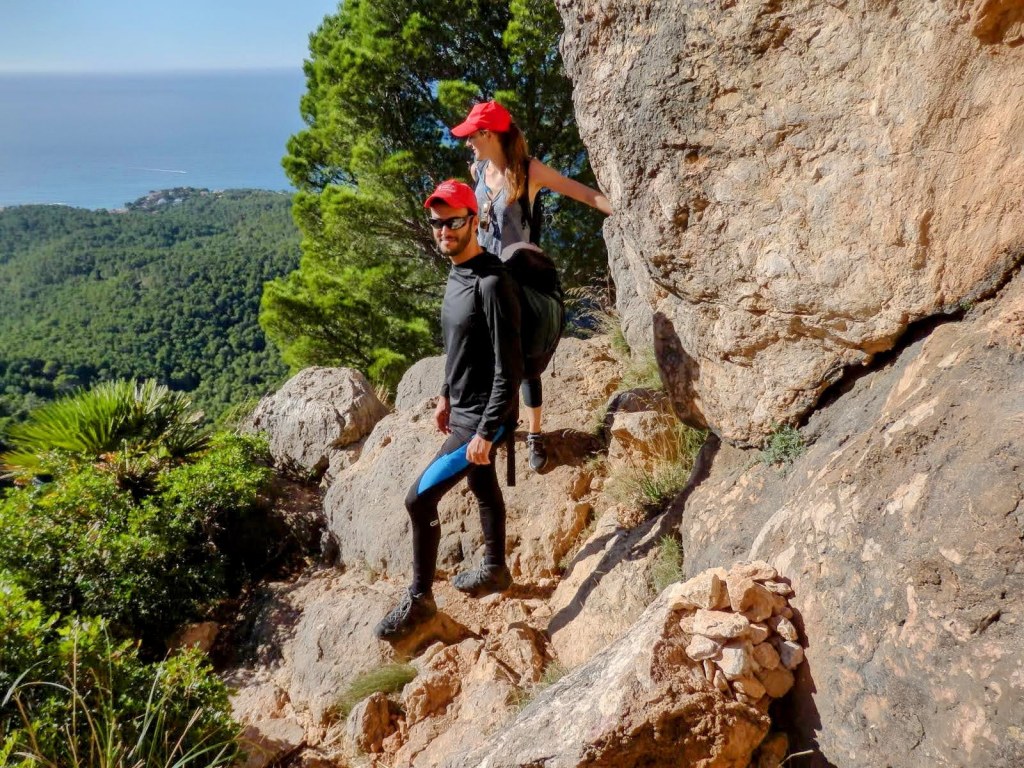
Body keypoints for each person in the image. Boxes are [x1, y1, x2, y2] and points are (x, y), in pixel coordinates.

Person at [374, 179, 523, 642]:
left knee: (418, 500)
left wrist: (486, 431)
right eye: (437, 222)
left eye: (453, 221)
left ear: (474, 221)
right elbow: (460, 346)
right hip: (462, 410)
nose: (444, 230)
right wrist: (444, 392)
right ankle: (496, 568)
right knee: (481, 481)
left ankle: (421, 599)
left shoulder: (492, 282)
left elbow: (509, 366)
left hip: (484, 419)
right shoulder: (458, 273)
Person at [450, 100, 612, 472]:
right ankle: (492, 426)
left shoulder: (528, 171)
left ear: (488, 134)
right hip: (483, 278)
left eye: (472, 135)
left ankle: (534, 431)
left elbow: (584, 194)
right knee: (487, 356)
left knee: (523, 361)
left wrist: (626, 213)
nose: (468, 142)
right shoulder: (479, 169)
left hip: (516, 280)